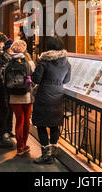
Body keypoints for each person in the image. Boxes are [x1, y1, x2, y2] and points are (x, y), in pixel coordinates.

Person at [31, 36, 71, 164]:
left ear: (49, 47)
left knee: (41, 124)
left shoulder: (44, 61)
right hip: (58, 95)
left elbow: (36, 79)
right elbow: (67, 80)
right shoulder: (67, 62)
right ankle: (52, 153)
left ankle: (45, 155)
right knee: (55, 125)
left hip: (44, 95)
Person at [5, 40, 36, 156]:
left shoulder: (9, 63)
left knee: (19, 120)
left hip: (13, 96)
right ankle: (24, 144)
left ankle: (19, 147)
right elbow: (35, 77)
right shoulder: (29, 63)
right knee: (26, 121)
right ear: (24, 49)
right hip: (27, 95)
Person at [1, 38, 15, 138]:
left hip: (10, 87)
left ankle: (9, 130)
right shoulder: (3, 57)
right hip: (5, 87)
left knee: (10, 110)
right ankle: (5, 130)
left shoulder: (12, 57)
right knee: (6, 110)